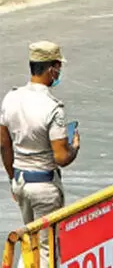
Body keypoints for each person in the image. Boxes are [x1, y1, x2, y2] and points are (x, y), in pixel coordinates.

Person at [0, 41, 79, 267]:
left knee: (30, 242)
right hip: (44, 187)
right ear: (52, 68)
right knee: (47, 250)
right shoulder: (53, 108)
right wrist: (74, 146)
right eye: (58, 68)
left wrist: (12, 177)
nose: (59, 73)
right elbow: (61, 157)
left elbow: (4, 144)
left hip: (21, 182)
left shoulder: (11, 98)